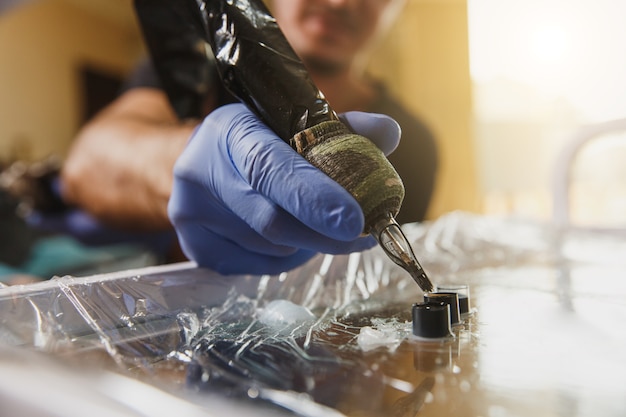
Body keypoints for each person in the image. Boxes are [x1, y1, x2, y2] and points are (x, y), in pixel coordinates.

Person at [59, 0, 438, 275]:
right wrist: (192, 160)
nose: (341, 2)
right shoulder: (195, 73)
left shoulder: (416, 146)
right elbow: (89, 162)